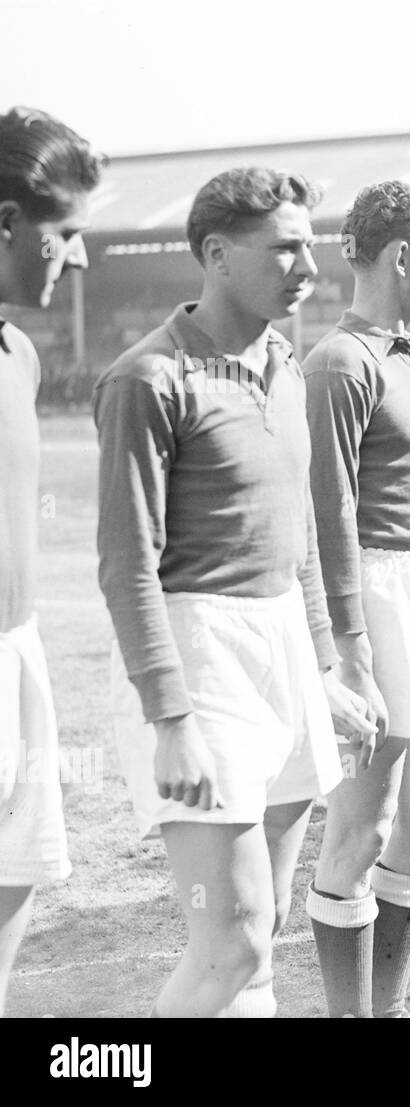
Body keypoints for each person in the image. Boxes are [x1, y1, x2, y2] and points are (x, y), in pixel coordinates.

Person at [95, 168, 375, 1016]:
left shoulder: (286, 368)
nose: (307, 266)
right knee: (234, 933)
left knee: (266, 924)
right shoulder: (147, 380)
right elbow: (125, 565)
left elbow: (300, 538)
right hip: (200, 653)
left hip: (283, 643)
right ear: (215, 254)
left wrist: (326, 669)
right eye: (284, 247)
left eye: (310, 246)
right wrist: (170, 719)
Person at [302, 181, 410, 1017]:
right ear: (403, 255)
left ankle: (390, 1003)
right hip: (378, 589)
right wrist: (352, 649)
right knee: (361, 828)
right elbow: (326, 511)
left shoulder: (409, 352)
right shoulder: (338, 362)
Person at [0, 107, 103, 1017]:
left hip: (17, 649)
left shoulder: (21, 354)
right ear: (5, 223)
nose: (76, 258)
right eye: (63, 232)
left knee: (15, 878)